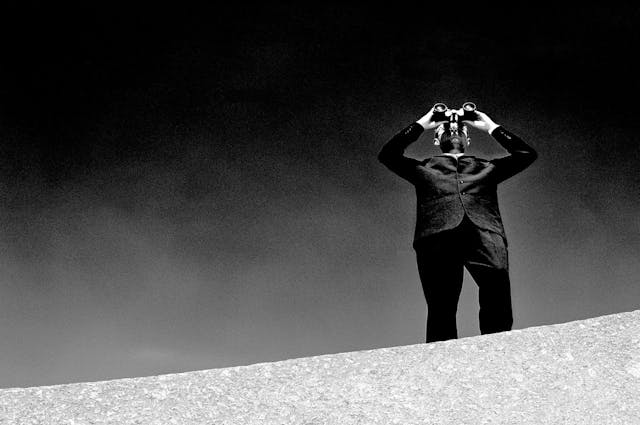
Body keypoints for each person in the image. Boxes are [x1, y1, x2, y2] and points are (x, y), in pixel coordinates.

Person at [377, 104, 537, 343]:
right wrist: (425, 121)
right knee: (441, 305)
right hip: (437, 237)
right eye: (445, 128)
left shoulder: (487, 167)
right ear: (436, 139)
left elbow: (526, 154)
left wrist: (489, 125)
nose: (454, 128)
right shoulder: (423, 168)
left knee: (497, 289)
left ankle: (498, 350)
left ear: (467, 139)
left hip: (485, 233)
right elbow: (388, 155)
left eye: (460, 128)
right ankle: (442, 362)